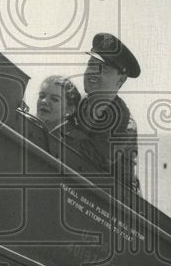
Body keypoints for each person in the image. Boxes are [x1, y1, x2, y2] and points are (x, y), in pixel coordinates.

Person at [58, 32, 141, 194]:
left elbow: (93, 159)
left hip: (113, 206)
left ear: (121, 80)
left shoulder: (124, 124)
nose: (92, 72)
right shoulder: (77, 103)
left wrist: (60, 128)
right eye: (91, 64)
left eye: (103, 68)